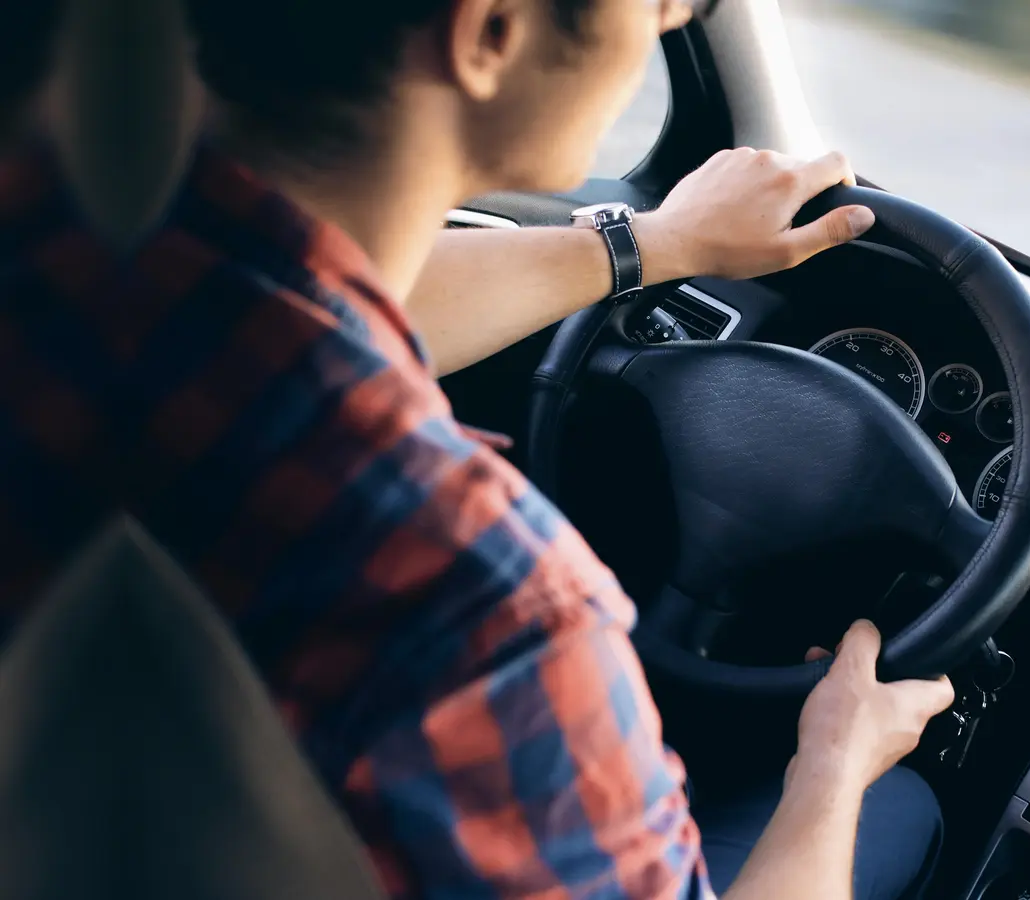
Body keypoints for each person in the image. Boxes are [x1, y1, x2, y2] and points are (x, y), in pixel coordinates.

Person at [69, 0, 950, 897]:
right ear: (490, 31)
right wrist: (833, 763)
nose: (676, 12)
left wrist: (659, 243)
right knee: (896, 806)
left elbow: (323, 301)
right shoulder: (491, 613)